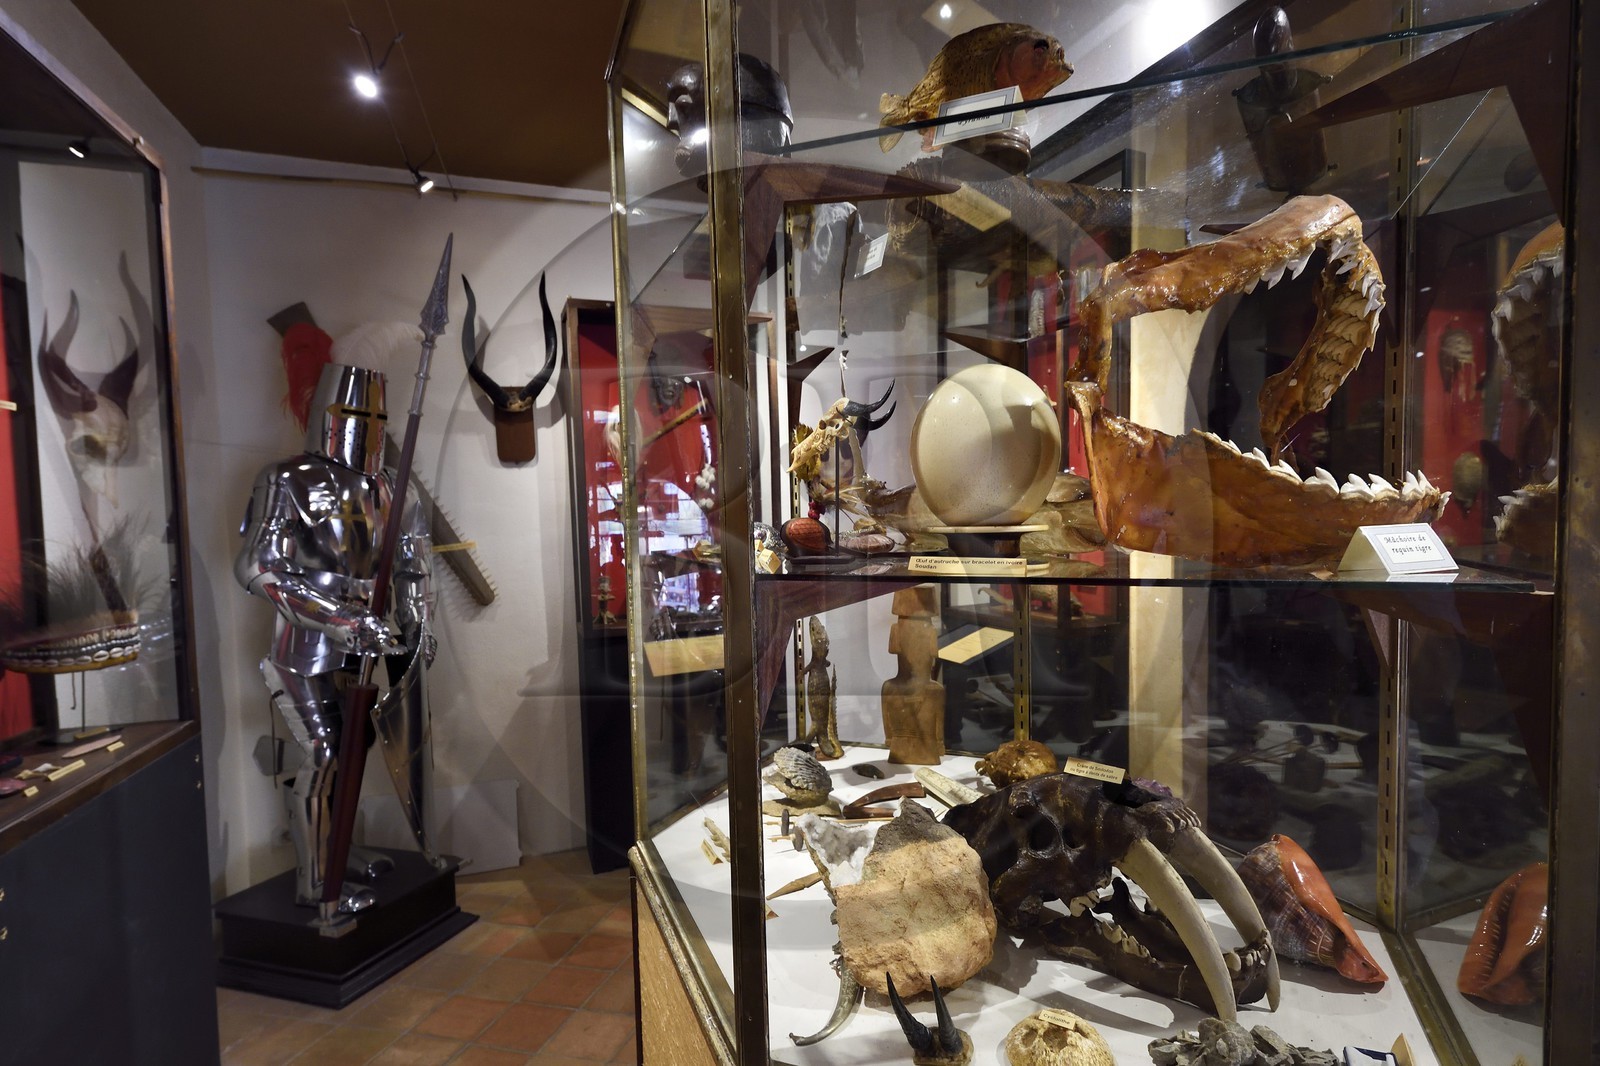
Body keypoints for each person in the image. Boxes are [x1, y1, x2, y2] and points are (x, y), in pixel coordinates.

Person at [235, 362, 436, 913]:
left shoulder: (393, 488)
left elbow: (412, 564)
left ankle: (338, 848)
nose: (365, 424)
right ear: (327, 414)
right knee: (323, 753)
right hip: (305, 646)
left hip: (371, 645)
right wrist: (340, 619)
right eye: (353, 413)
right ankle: (315, 882)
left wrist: (417, 621)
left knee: (356, 750)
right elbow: (258, 567)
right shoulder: (287, 478)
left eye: (376, 414)